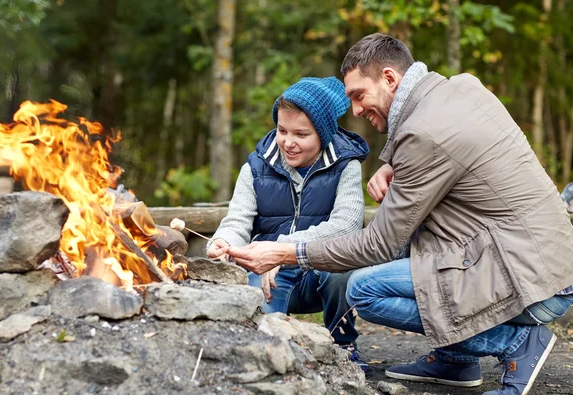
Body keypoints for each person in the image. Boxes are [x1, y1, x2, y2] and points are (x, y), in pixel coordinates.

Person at [227, 33, 573, 395]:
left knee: (364, 288)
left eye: (359, 95)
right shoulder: (461, 89)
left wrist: (284, 252)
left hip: (532, 283)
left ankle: (513, 343)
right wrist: (395, 163)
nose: (356, 110)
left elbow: (378, 245)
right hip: (548, 261)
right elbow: (456, 154)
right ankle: (455, 360)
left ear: (390, 78)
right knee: (413, 247)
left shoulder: (424, 134)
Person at [206, 77, 371, 371]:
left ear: (323, 134)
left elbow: (346, 227)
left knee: (344, 270)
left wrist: (281, 249)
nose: (288, 142)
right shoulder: (256, 168)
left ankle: (343, 344)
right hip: (269, 276)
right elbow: (237, 220)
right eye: (282, 131)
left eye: (301, 134)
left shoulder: (347, 166)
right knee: (265, 340)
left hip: (318, 274)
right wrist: (224, 242)